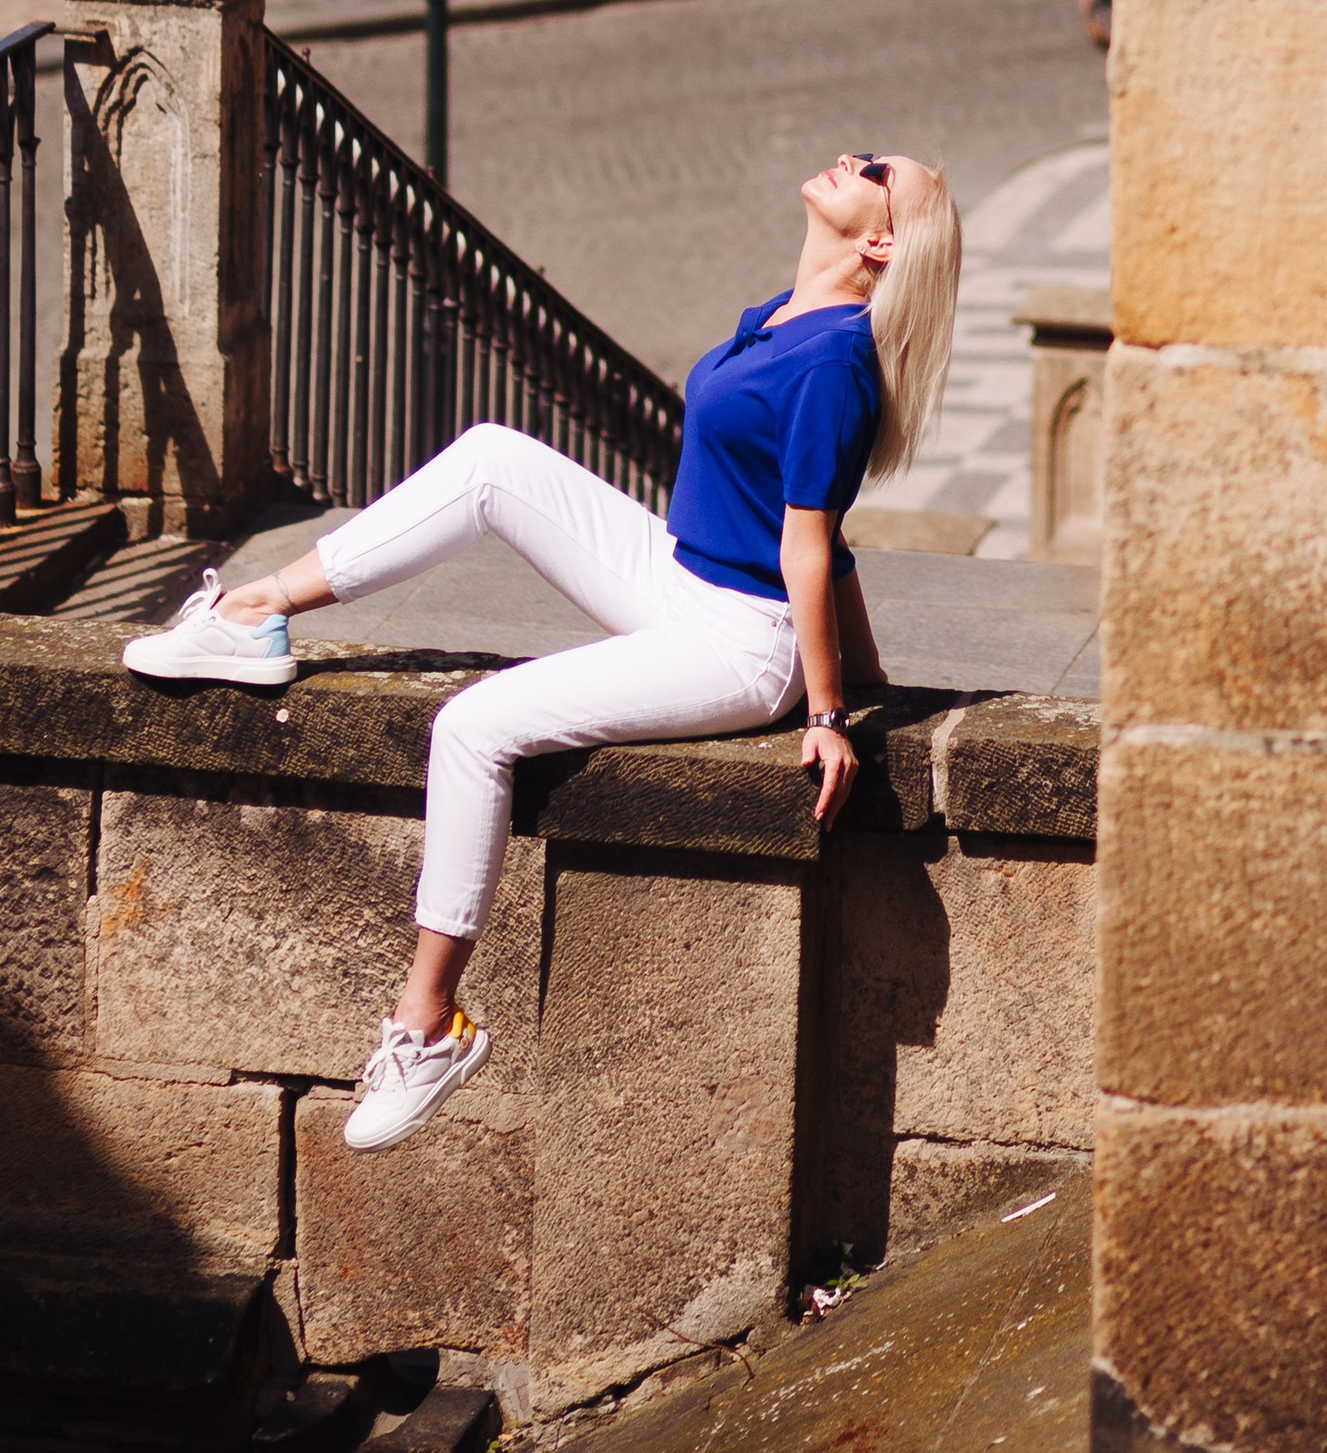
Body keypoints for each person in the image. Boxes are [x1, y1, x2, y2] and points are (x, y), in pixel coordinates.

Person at [120, 145, 960, 1153]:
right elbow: (811, 527)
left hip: (741, 643)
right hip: (677, 575)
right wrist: (872, 678)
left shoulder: (833, 363)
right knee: (489, 459)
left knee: (473, 727)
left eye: (873, 167)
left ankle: (427, 1023)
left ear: (879, 240)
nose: (846, 157)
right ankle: (257, 610)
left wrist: (829, 713)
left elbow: (811, 544)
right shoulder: (779, 319)